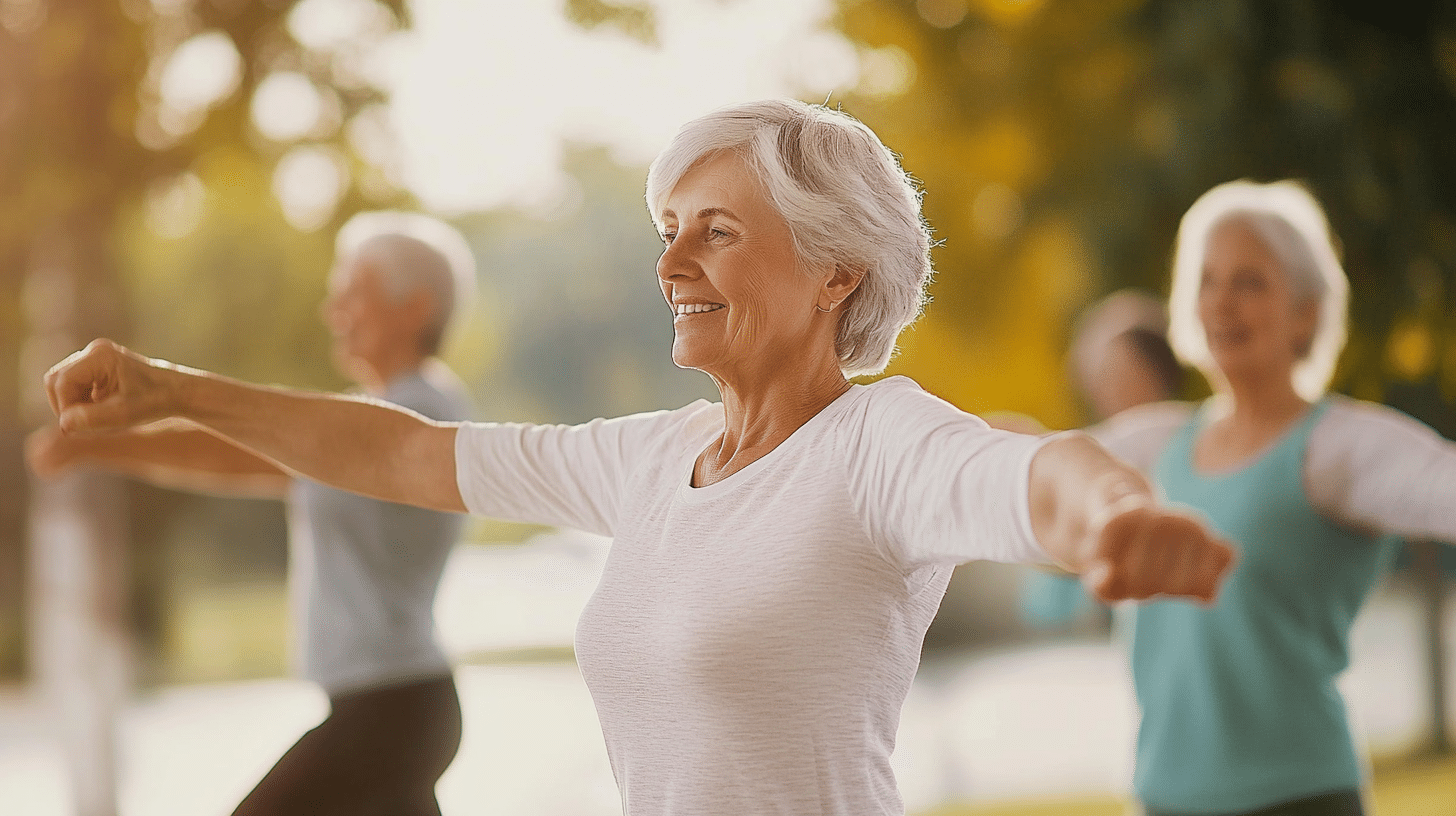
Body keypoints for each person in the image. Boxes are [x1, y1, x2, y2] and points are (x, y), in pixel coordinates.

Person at [39, 99, 1235, 816]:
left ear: (835, 271)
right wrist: (170, 390)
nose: (669, 266)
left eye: (715, 233)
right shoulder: (650, 459)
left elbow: (1032, 474)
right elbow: (398, 450)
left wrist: (1115, 516)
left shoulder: (877, 444)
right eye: (667, 232)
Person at [27, 211, 476, 816]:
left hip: (391, 706)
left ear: (416, 307)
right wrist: (98, 446)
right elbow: (239, 459)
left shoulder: (423, 412)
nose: (333, 311)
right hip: (386, 705)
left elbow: (255, 444)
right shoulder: (368, 416)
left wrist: (153, 401)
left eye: (353, 293)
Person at [1085, 180, 1456, 816]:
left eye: (1250, 282)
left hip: (1297, 798)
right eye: (1207, 281)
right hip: (1162, 799)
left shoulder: (1336, 447)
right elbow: (1022, 471)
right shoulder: (1157, 443)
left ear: (1306, 311)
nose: (1222, 302)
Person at [1018, 289, 1183, 628]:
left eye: (1115, 370)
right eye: (1099, 373)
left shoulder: (1177, 435)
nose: (1101, 386)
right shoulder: (1098, 450)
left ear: (1152, 373)